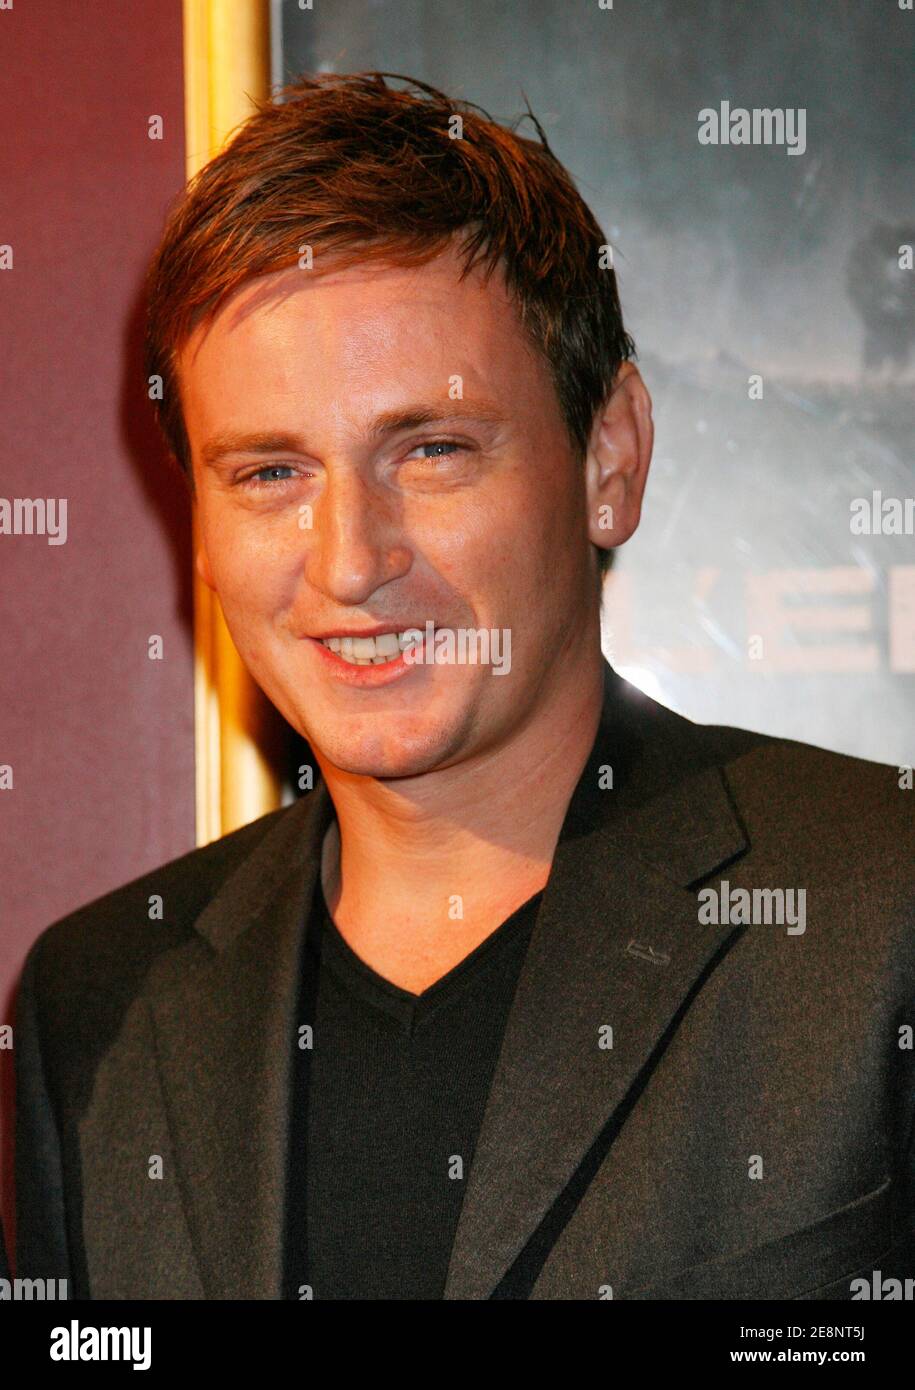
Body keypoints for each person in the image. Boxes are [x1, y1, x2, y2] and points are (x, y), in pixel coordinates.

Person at [13, 72, 914, 1300]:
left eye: (430, 450)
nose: (350, 562)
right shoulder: (99, 1005)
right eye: (270, 472)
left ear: (610, 456)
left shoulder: (881, 911)